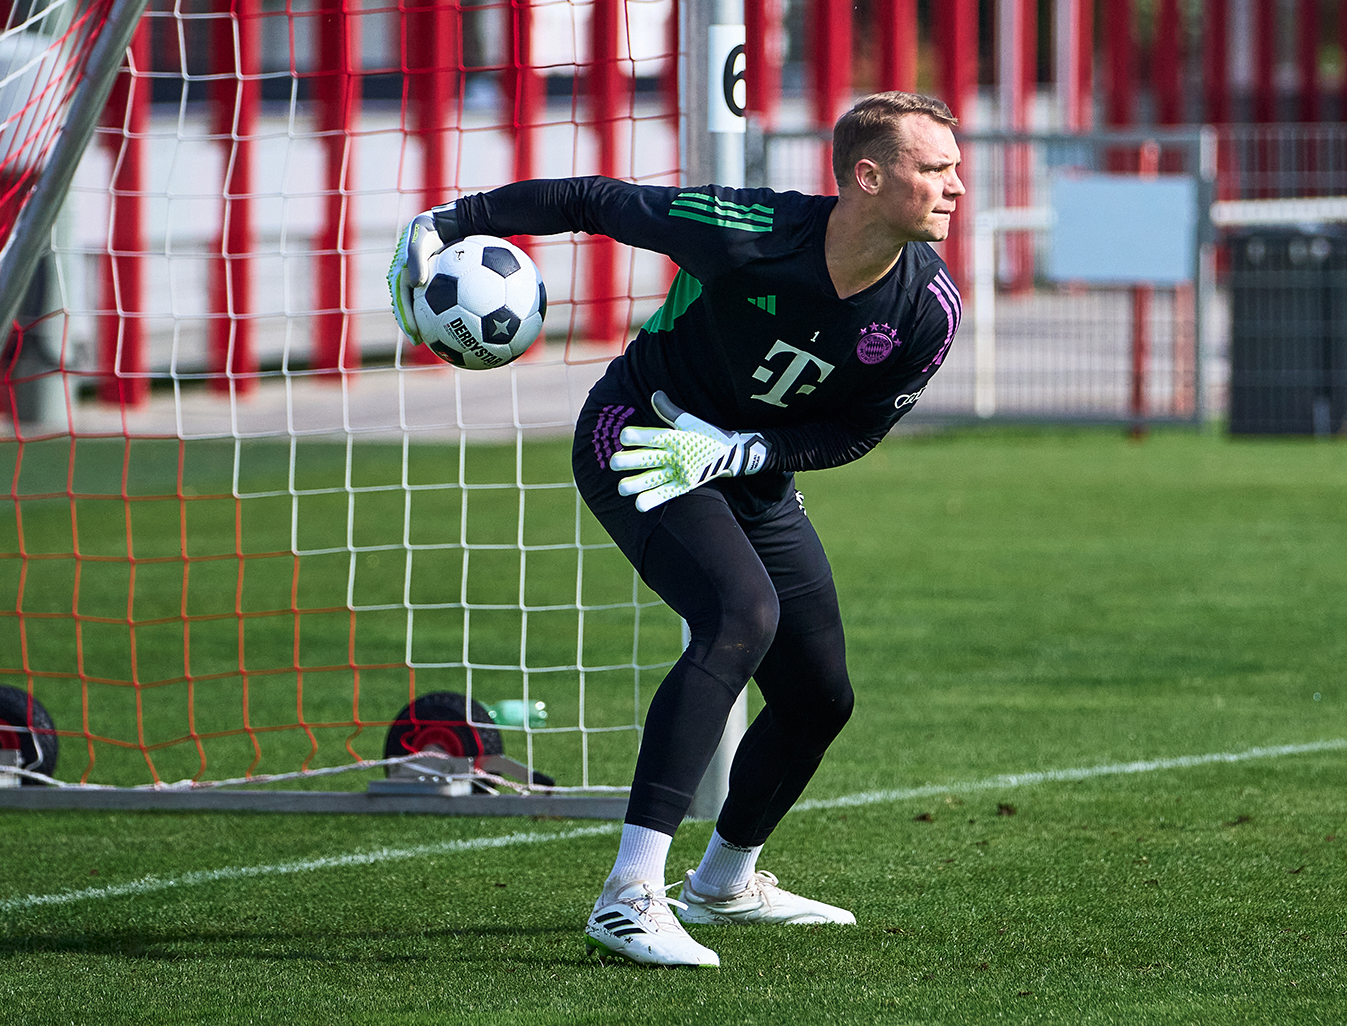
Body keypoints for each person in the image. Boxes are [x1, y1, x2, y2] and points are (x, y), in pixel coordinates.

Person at [388, 91, 966, 968]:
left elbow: (854, 431)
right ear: (867, 176)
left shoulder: (928, 310)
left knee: (820, 696)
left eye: (954, 167)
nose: (956, 184)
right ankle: (628, 897)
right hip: (639, 436)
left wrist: (741, 451)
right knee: (739, 617)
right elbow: (596, 199)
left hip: (743, 468)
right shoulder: (743, 227)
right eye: (935, 168)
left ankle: (725, 882)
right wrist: (456, 218)